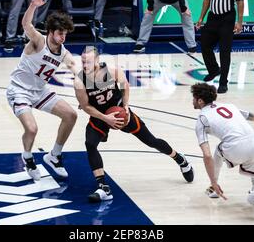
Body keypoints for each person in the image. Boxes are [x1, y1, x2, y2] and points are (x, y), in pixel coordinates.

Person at [74, 45, 194, 202]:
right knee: (90, 144)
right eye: (83, 62)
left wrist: (126, 105)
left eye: (88, 62)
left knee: (151, 141)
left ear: (97, 60)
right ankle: (103, 187)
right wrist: (106, 118)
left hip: (120, 113)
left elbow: (125, 86)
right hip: (100, 116)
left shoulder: (111, 70)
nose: (85, 65)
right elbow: (86, 107)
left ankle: (180, 159)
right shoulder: (79, 81)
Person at [6, 0, 78, 180]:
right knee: (32, 129)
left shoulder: (63, 53)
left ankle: (54, 155)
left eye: (65, 34)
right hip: (19, 90)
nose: (63, 37)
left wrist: (94, 82)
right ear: (52, 32)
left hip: (39, 91)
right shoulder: (38, 41)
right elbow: (26, 25)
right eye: (60, 33)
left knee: (71, 115)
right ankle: (28, 157)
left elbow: (75, 69)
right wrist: (33, 5)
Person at [191, 83, 254, 220]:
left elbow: (207, 155)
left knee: (218, 150)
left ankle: (214, 187)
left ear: (200, 100)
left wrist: (213, 180)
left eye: (193, 98)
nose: (192, 101)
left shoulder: (201, 119)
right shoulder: (229, 106)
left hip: (235, 147)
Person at [196, 0, 244, 94]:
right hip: (212, 18)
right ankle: (214, 70)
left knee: (224, 52)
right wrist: (201, 18)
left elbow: (240, 1)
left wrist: (239, 22)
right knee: (205, 45)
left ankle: (223, 82)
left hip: (227, 19)